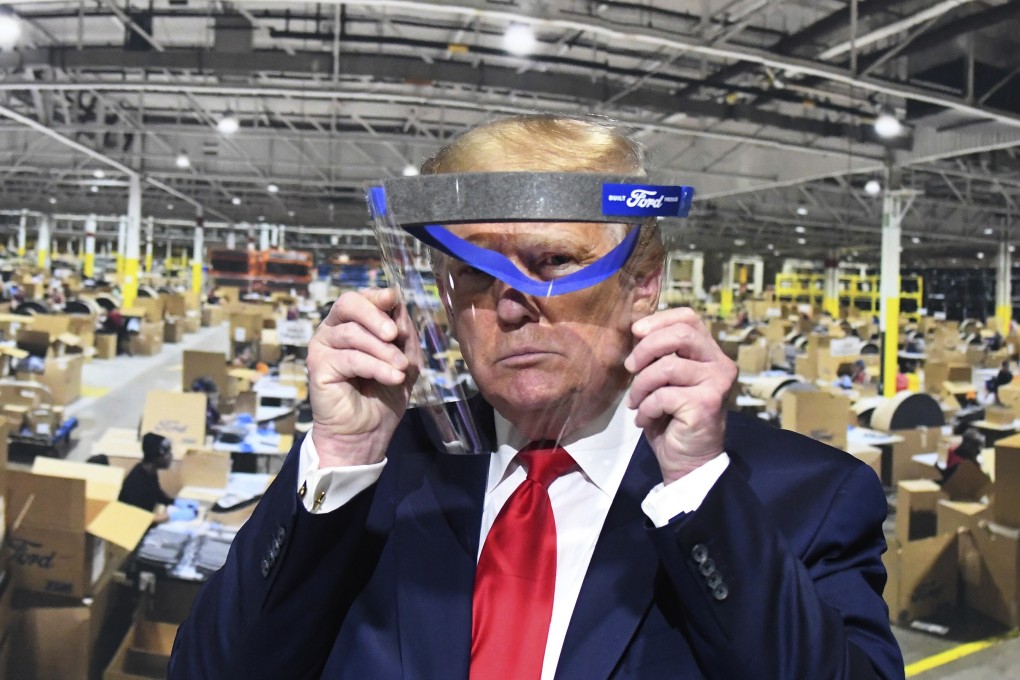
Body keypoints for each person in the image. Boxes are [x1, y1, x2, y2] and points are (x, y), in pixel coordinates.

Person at [170, 115, 902, 679]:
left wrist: (696, 492)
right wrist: (342, 455)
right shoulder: (377, 478)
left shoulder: (804, 498)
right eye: (474, 273)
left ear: (643, 282)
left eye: (552, 261)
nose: (511, 306)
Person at [119, 432, 174, 521]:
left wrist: (174, 502)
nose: (170, 457)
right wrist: (166, 516)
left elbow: (157, 493)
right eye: (167, 453)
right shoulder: (137, 482)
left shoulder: (150, 472)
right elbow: (134, 517)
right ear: (156, 457)